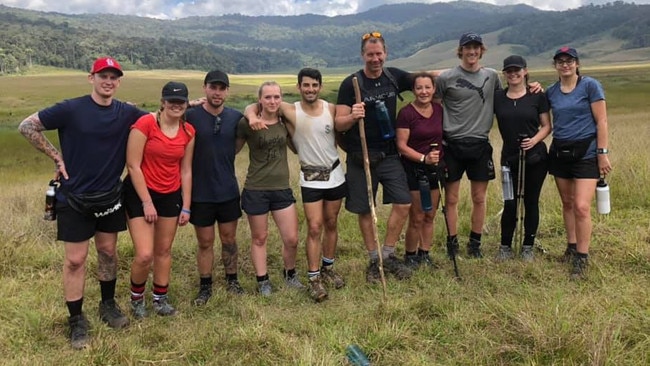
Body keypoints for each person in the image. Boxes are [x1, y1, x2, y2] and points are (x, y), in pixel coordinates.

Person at [18, 57, 147, 349]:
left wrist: (192, 105)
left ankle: (107, 304)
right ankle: (76, 320)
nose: (108, 81)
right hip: (74, 197)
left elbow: (159, 118)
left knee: (108, 253)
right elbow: (27, 126)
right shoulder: (70, 108)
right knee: (75, 260)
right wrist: (56, 156)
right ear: (92, 78)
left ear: (119, 81)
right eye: (103, 76)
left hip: (110, 196)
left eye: (114, 77)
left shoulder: (126, 112)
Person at [245, 68, 346, 302]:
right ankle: (313, 277)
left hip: (335, 174)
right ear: (299, 87)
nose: (310, 89)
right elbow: (254, 105)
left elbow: (343, 124)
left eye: (314, 85)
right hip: (310, 178)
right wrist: (251, 117)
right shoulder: (288, 109)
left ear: (320, 87)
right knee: (314, 227)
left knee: (331, 222)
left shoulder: (330, 108)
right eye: (306, 85)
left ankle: (328, 267)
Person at [335, 31, 414, 283]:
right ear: (362, 55)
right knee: (366, 210)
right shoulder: (351, 83)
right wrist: (353, 116)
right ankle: (373, 259)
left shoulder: (395, 77)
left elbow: (427, 82)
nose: (375, 58)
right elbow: (339, 123)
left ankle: (388, 254)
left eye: (379, 53)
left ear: (386, 54)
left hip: (390, 155)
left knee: (403, 203)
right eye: (370, 54)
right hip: (361, 156)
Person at [124, 81, 195, 317]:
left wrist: (186, 206)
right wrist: (146, 201)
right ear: (162, 102)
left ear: (186, 104)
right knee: (145, 254)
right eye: (171, 101)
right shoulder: (146, 124)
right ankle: (136, 299)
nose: (176, 105)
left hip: (170, 194)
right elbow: (133, 165)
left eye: (181, 102)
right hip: (140, 192)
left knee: (163, 250)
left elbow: (186, 170)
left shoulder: (188, 131)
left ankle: (160, 299)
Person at [546, 47, 612, 279]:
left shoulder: (590, 86)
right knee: (567, 202)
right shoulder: (551, 91)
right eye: (560, 61)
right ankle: (571, 246)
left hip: (586, 153)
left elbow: (602, 121)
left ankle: (582, 257)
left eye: (570, 61)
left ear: (577, 63)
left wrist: (602, 153)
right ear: (555, 65)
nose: (565, 65)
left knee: (582, 207)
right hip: (560, 152)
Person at [435, 32, 501, 259]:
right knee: (451, 199)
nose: (471, 52)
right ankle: (452, 243)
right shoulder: (446, 78)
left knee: (479, 198)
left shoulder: (492, 77)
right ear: (460, 50)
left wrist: (532, 85)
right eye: (467, 48)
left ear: (481, 50)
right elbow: (433, 107)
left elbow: (507, 96)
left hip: (480, 144)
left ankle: (475, 243)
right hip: (452, 145)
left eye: (476, 48)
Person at [236, 81, 305, 296]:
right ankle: (263, 280)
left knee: (291, 238)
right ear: (260, 100)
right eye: (268, 97)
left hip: (281, 188)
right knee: (260, 238)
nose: (273, 101)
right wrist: (250, 115)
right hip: (256, 188)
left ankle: (290, 274)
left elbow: (297, 148)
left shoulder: (285, 121)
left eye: (276, 97)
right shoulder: (247, 123)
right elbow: (233, 150)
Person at [185, 70, 245, 305]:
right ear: (205, 88)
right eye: (213, 87)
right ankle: (205, 285)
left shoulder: (236, 117)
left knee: (229, 239)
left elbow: (237, 145)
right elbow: (163, 116)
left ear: (227, 91)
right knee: (205, 242)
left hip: (227, 189)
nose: (217, 92)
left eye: (222, 88)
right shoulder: (190, 115)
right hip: (201, 192)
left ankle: (232, 280)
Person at [493, 55, 552, 261]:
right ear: (504, 74)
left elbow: (547, 126)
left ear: (525, 71)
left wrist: (534, 140)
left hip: (535, 157)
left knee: (531, 201)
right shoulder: (498, 97)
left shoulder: (537, 96)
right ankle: (505, 246)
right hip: (508, 158)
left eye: (517, 70)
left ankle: (528, 245)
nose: (513, 74)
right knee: (510, 203)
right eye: (509, 70)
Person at [395, 72, 444, 269]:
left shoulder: (439, 110)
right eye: (419, 88)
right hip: (414, 171)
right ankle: (410, 256)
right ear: (413, 90)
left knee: (430, 215)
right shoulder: (406, 113)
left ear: (433, 89)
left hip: (434, 170)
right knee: (416, 217)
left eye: (427, 87)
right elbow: (401, 146)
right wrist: (423, 158)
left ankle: (425, 254)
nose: (423, 92)